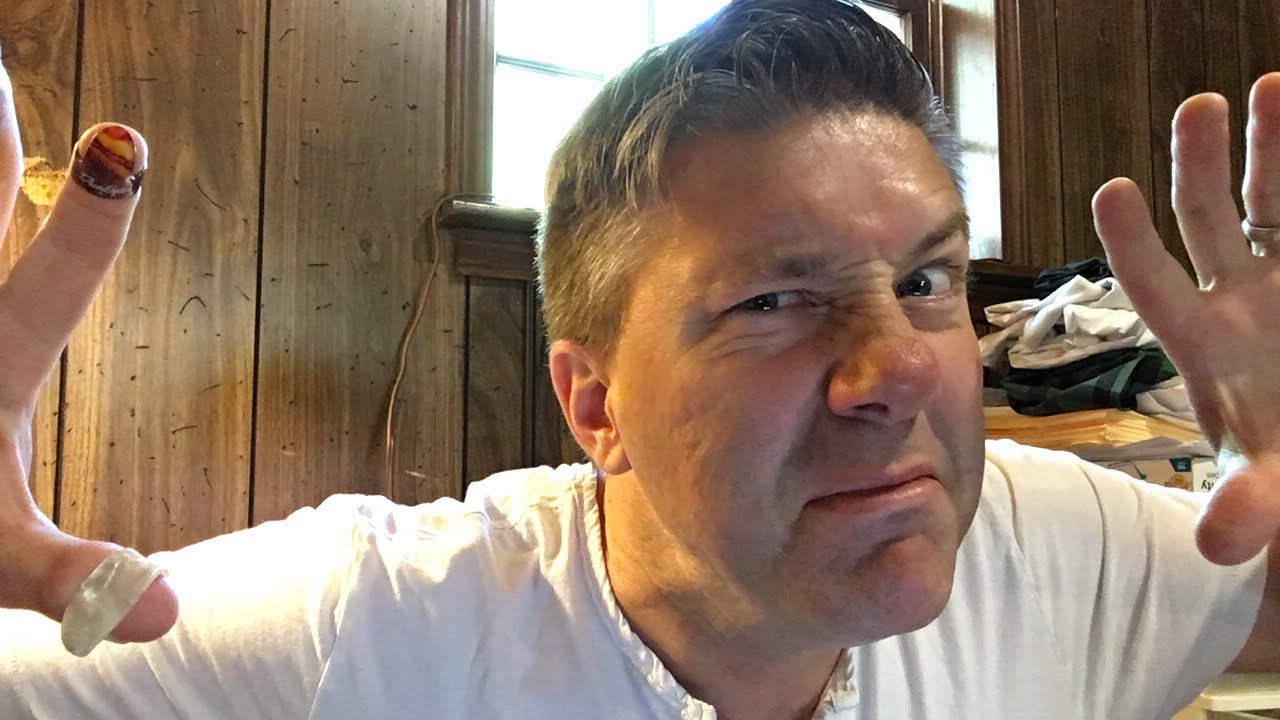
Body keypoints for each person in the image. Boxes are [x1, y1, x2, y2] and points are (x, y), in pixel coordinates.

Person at [2, 0, 1280, 717]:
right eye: (774, 301)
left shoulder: (1046, 546)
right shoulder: (375, 629)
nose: (894, 372)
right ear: (594, 404)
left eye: (923, 281)